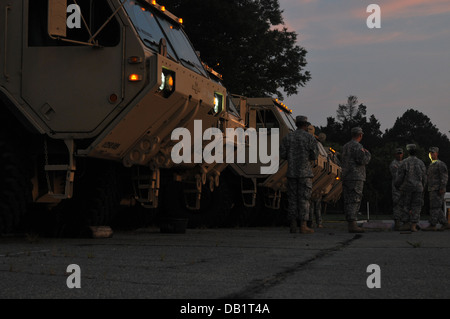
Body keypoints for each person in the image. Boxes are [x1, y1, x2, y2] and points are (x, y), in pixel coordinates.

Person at [280, 115, 319, 234]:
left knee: (292, 199)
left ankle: (292, 225)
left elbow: (282, 154)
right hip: (305, 173)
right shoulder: (310, 138)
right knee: (304, 199)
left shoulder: (288, 137)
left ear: (296, 124)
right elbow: (314, 156)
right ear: (306, 126)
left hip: (291, 173)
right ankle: (303, 226)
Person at [341, 127, 371, 233]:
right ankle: (353, 224)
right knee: (355, 200)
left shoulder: (345, 146)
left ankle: (350, 222)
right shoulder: (358, 146)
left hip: (346, 176)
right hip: (356, 176)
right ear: (360, 135)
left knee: (348, 200)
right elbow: (362, 160)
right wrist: (368, 154)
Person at [394, 144, 427, 232]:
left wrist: (397, 185)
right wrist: (423, 186)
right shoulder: (420, 162)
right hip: (418, 188)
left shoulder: (404, 162)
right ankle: (413, 225)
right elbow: (424, 177)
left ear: (408, 152)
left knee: (405, 205)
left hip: (407, 187)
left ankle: (405, 224)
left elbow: (400, 177)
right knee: (416, 206)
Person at [423, 147, 449, 231]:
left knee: (435, 207)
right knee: (436, 207)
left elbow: (444, 177)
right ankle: (445, 223)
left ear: (437, 154)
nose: (431, 154)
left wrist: (442, 187)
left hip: (438, 189)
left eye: (433, 153)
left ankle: (433, 224)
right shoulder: (431, 165)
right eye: (430, 153)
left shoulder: (440, 164)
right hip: (432, 189)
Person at [389, 148, 404, 230]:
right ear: (395, 154)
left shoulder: (405, 163)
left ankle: (405, 222)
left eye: (400, 153)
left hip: (404, 188)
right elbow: (397, 176)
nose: (399, 155)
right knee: (397, 205)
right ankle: (397, 222)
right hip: (397, 188)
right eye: (398, 153)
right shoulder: (393, 164)